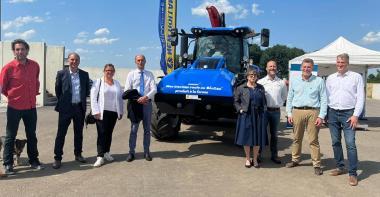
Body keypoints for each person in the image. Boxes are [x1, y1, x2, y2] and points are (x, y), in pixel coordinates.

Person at [0, 39, 43, 175]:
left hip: (31, 107)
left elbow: (36, 81)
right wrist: (12, 97)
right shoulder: (8, 68)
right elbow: (2, 87)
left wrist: (34, 94)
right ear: (14, 51)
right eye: (17, 49)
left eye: (22, 49)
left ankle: (34, 161)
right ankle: (8, 164)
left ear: (27, 50)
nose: (20, 51)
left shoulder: (35, 66)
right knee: (10, 136)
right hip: (14, 108)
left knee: (32, 135)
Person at [326, 53, 364, 186]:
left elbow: (360, 97)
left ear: (347, 63)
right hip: (332, 113)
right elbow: (327, 97)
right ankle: (340, 166)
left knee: (350, 144)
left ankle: (352, 173)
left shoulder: (356, 77)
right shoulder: (330, 78)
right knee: (335, 142)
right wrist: (325, 114)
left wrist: (355, 115)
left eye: (342, 62)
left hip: (349, 114)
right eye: (338, 62)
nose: (340, 65)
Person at [285, 58, 327, 175]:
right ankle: (295, 160)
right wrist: (289, 113)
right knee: (297, 138)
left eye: (309, 67)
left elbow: (324, 99)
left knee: (313, 139)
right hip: (297, 111)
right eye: (304, 67)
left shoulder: (319, 81)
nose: (306, 69)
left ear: (312, 68)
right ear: (301, 68)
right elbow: (289, 98)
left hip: (313, 112)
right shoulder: (294, 80)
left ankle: (317, 164)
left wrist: (321, 116)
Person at [52, 52, 90, 169]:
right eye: (72, 60)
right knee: (61, 134)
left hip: (79, 108)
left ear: (79, 61)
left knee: (78, 133)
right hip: (66, 108)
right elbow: (58, 90)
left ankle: (78, 154)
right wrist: (64, 102)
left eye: (76, 60)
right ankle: (58, 158)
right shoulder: (61, 73)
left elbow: (86, 90)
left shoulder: (84, 74)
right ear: (68, 60)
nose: (74, 62)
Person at [124, 55, 157, 162]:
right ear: (135, 62)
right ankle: (131, 152)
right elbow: (127, 90)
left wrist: (146, 97)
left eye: (142, 60)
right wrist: (138, 98)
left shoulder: (150, 74)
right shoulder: (131, 74)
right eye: (138, 60)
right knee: (134, 129)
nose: (140, 62)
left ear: (145, 61)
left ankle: (146, 152)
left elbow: (154, 89)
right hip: (135, 105)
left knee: (147, 130)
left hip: (147, 104)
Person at [91, 64, 124, 167]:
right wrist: (95, 111)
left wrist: (121, 111)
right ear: (104, 71)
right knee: (101, 133)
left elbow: (120, 99)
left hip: (113, 112)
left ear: (114, 72)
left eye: (111, 70)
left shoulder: (117, 83)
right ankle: (100, 156)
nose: (109, 72)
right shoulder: (98, 82)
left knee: (109, 133)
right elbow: (93, 97)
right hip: (101, 112)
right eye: (107, 70)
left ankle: (106, 153)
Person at [234, 67, 267, 168]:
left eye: (255, 75)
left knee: (257, 139)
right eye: (251, 75)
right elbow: (236, 101)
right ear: (247, 77)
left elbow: (264, 102)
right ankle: (248, 159)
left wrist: (264, 113)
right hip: (246, 115)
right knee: (247, 138)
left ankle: (255, 159)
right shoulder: (241, 88)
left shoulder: (261, 88)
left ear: (257, 77)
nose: (253, 77)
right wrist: (240, 109)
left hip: (258, 116)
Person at [257, 60, 287, 164]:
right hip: (264, 111)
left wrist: (278, 103)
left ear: (276, 68)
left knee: (274, 134)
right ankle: (258, 154)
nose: (272, 68)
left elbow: (284, 97)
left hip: (276, 112)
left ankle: (274, 155)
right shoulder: (261, 82)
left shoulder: (281, 83)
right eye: (270, 66)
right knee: (261, 133)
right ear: (266, 68)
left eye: (274, 66)